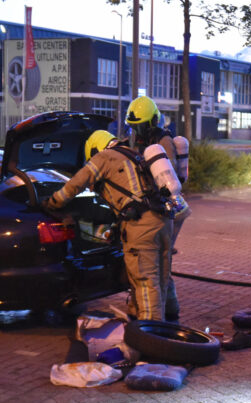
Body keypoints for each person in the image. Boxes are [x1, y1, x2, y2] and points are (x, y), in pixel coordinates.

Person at [44, 129, 173, 321]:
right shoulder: (134, 155)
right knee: (161, 278)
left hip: (140, 225)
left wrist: (53, 202)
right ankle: (171, 319)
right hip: (163, 220)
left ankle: (152, 335)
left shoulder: (104, 157)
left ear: (95, 149)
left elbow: (75, 185)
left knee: (145, 281)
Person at [126, 96, 191, 322]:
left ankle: (159, 310)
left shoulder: (163, 141)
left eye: (141, 126)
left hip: (169, 206)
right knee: (162, 258)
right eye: (135, 127)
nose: (138, 131)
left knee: (159, 259)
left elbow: (168, 172)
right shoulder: (139, 140)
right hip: (162, 206)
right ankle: (170, 307)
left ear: (153, 121)